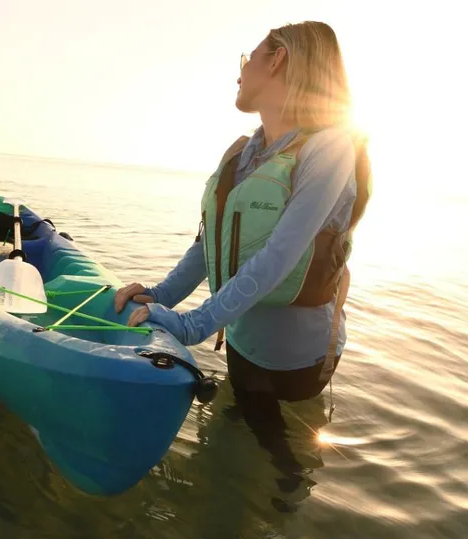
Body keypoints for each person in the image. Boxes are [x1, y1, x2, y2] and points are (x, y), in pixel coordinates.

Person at [114, 20, 372, 472]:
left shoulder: (329, 148)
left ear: (278, 60)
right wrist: (160, 295)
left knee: (280, 459)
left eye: (247, 58)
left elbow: (279, 256)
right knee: (240, 420)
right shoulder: (240, 152)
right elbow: (207, 242)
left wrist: (192, 325)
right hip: (241, 340)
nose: (240, 71)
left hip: (299, 361)